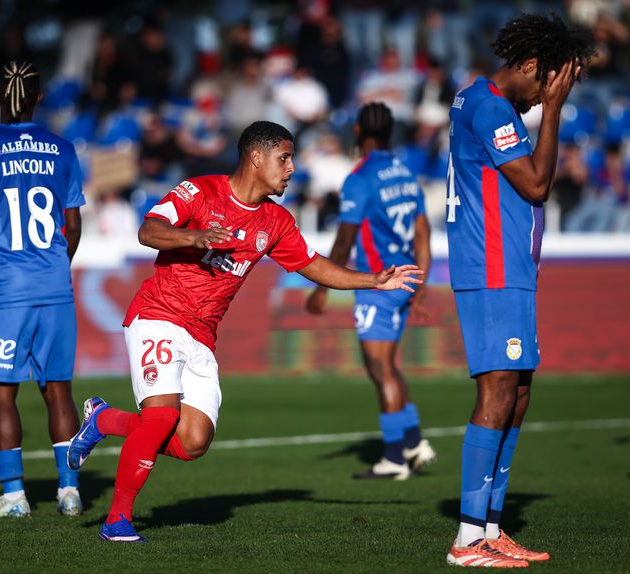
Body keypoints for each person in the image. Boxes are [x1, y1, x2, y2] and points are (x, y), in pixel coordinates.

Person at [66, 120, 424, 543]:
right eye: (284, 158)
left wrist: (373, 281)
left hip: (201, 335)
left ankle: (105, 419)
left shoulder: (275, 222)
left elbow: (316, 266)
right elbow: (149, 230)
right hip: (158, 315)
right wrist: (195, 237)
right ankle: (117, 521)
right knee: (161, 416)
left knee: (193, 442)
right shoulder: (199, 191)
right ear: (256, 157)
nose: (291, 169)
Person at [443, 14, 594, 568]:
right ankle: (467, 540)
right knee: (498, 392)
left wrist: (548, 106)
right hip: (492, 269)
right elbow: (536, 185)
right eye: (549, 83)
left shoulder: (482, 102)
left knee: (518, 393)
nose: (545, 96)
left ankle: (489, 524)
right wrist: (553, 113)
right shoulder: (490, 107)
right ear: (532, 65)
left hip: (509, 270)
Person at [0, 61, 86, 518]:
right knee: (59, 391)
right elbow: (72, 224)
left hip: (4, 291)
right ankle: (69, 492)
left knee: (1, 393)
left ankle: (14, 497)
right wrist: (53, 267)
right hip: (54, 286)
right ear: (39, 97)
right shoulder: (63, 150)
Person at [305, 102, 435, 480]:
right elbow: (423, 232)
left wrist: (322, 287)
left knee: (379, 369)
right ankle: (413, 442)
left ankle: (394, 458)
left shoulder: (360, 177)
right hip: (405, 278)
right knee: (389, 366)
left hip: (379, 283)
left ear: (359, 131)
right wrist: (420, 284)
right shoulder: (406, 173)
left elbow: (345, 237)